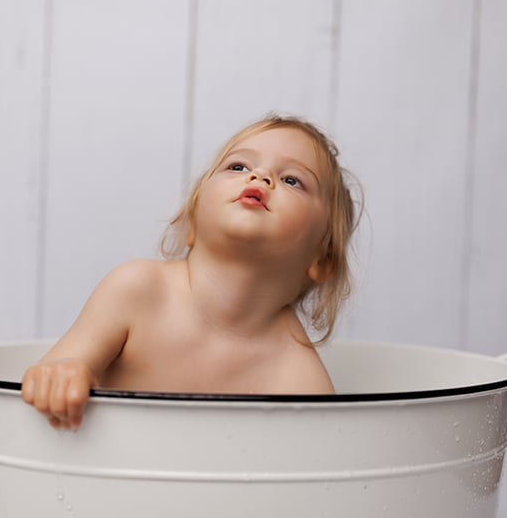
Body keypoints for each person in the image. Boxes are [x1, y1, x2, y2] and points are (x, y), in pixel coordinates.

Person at [21, 115, 359, 428]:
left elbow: (314, 470)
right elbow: (56, 368)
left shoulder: (296, 373)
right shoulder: (139, 290)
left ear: (322, 257)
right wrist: (65, 373)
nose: (259, 177)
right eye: (238, 166)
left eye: (292, 180)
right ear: (193, 222)